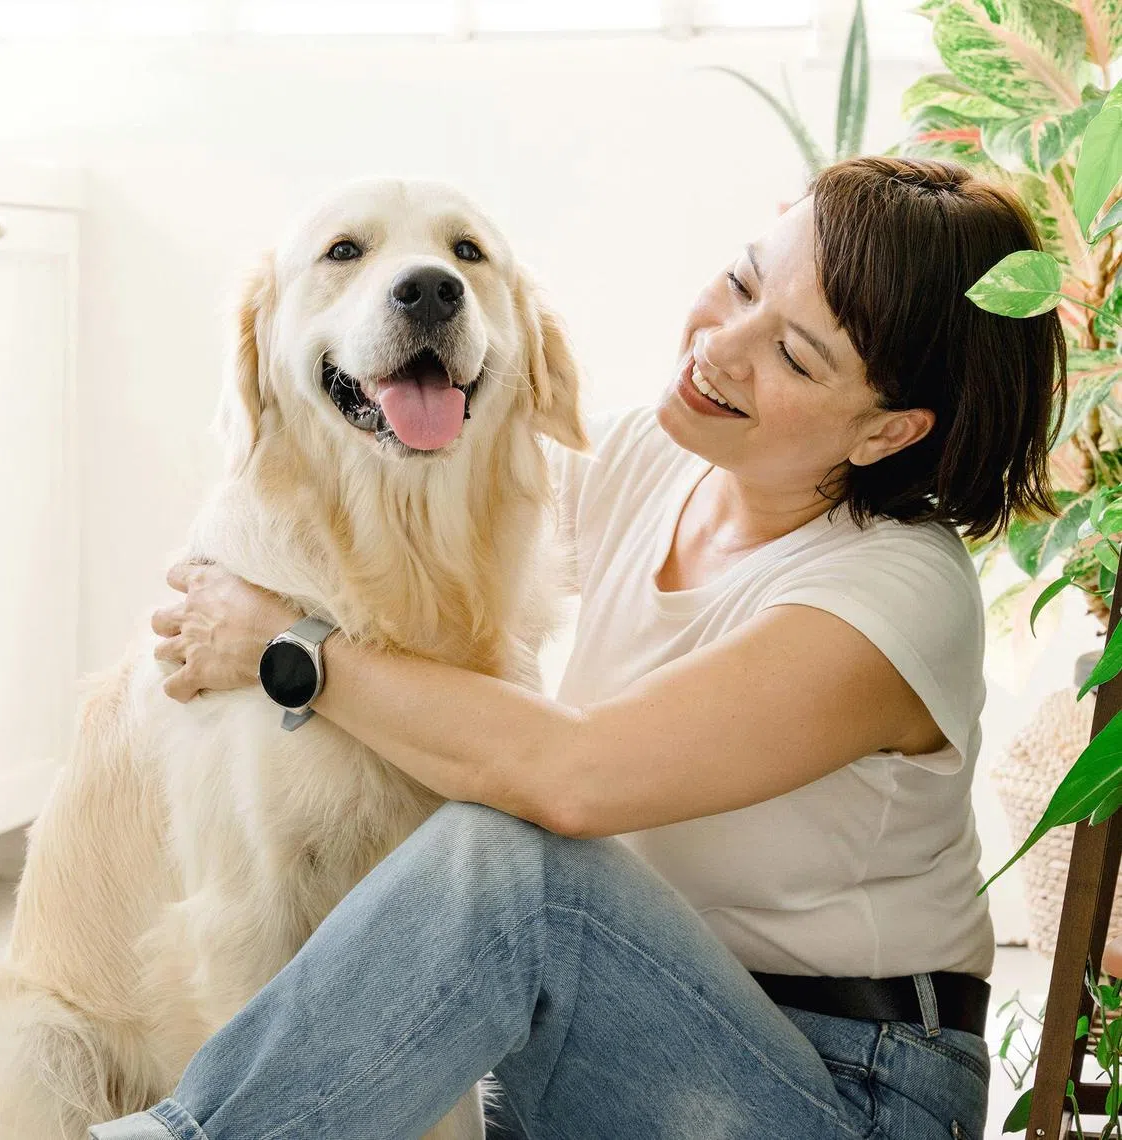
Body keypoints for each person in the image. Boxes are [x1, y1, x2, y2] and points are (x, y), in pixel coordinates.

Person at [89, 155, 1064, 1140]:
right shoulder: (656, 462)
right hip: (627, 1030)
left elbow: (570, 778)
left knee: (513, 861)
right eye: (740, 281)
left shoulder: (894, 592)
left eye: (795, 357)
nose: (723, 345)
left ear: (886, 429)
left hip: (845, 1089)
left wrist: (284, 646)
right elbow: (425, 520)